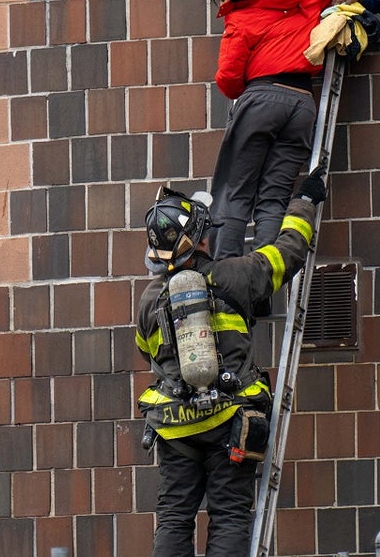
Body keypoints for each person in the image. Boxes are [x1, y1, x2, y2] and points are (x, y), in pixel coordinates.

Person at [135, 169, 328, 557]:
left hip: (175, 425)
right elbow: (287, 252)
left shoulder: (148, 302)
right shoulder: (235, 275)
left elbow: (147, 352)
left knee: (173, 516)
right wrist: (303, 201)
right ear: (199, 239)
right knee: (230, 515)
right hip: (231, 420)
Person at [204, 0, 337, 260]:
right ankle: (263, 279)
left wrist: (248, 88)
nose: (220, 7)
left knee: (233, 193)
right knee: (274, 199)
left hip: (262, 99)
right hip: (303, 105)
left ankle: (229, 278)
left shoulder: (241, 16)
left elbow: (228, 78)